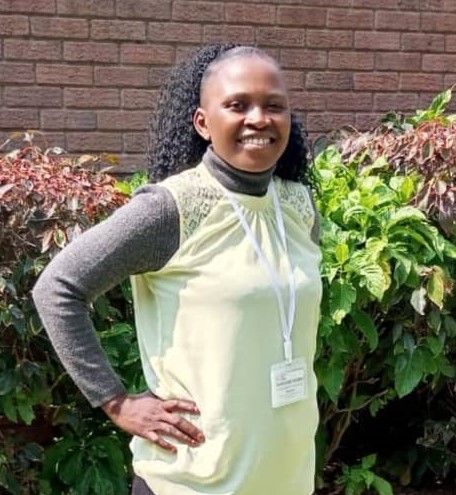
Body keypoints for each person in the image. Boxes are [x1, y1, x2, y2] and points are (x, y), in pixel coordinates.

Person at [32, 43, 322, 495]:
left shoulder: (299, 207)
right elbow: (57, 288)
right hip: (191, 481)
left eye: (274, 106)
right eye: (237, 105)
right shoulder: (171, 210)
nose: (259, 118)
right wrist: (116, 401)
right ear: (203, 123)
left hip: (286, 475)